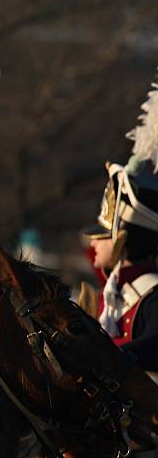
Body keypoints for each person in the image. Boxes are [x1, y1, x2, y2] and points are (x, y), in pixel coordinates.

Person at [85, 83, 158, 374]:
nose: (92, 243)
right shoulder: (112, 293)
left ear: (121, 239)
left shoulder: (152, 295)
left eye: (100, 235)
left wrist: (108, 359)